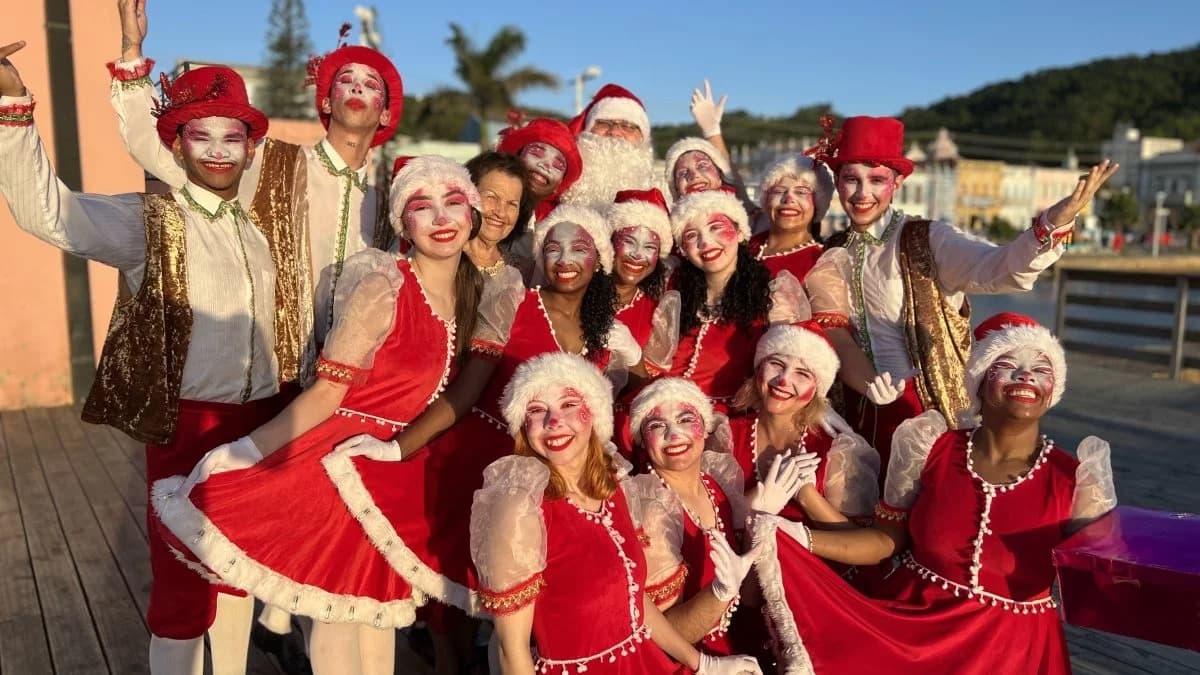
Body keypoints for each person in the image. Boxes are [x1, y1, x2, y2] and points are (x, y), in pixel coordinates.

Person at [0, 41, 292, 675]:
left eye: (231, 135)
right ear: (179, 145)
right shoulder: (149, 222)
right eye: (200, 134)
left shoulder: (254, 229)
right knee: (183, 587)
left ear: (249, 146)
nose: (217, 148)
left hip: (261, 425)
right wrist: (12, 108)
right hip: (189, 425)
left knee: (241, 570)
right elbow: (48, 215)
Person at [151, 155, 488, 675]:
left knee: (377, 619)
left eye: (453, 203)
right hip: (339, 465)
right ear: (404, 222)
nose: (441, 217)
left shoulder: (475, 295)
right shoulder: (384, 287)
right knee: (335, 623)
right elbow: (329, 393)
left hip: (393, 473)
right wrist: (244, 451)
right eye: (423, 205)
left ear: (473, 214)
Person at [751, 312, 1118, 674]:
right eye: (1007, 365)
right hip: (912, 638)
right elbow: (884, 541)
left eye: (1041, 369)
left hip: (1014, 653)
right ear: (979, 382)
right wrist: (796, 536)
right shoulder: (928, 446)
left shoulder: (1078, 478)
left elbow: (1102, 585)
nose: (1025, 376)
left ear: (1054, 388)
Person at [112, 2, 404, 381]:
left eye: (370, 84)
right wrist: (131, 51)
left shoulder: (390, 206)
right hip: (268, 377)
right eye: (346, 79)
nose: (357, 87)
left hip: (348, 383)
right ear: (327, 101)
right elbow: (165, 156)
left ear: (385, 113)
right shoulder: (269, 160)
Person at [810, 115, 1118, 464]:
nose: (863, 193)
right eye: (851, 180)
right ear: (837, 183)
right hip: (851, 412)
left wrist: (1053, 223)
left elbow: (999, 268)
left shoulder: (928, 239)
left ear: (896, 183)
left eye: (876, 180)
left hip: (926, 413)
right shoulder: (831, 248)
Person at [472, 352, 764, 674]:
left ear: (594, 415)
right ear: (523, 427)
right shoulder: (519, 509)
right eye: (537, 410)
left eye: (569, 405)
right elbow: (511, 653)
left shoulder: (616, 487)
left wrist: (705, 664)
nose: (554, 422)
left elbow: (636, 603)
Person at [624, 378, 790, 658]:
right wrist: (719, 592)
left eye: (685, 419)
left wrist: (757, 523)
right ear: (643, 441)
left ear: (705, 428)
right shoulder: (650, 508)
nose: (674, 434)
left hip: (745, 644)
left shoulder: (716, 482)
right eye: (657, 426)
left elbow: (748, 596)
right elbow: (665, 638)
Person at [725, 323, 879, 526]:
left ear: (817, 389)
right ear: (758, 367)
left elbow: (856, 542)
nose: (784, 380)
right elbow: (709, 519)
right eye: (776, 364)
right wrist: (758, 499)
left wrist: (806, 494)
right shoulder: (726, 436)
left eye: (803, 374)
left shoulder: (838, 451)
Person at [561, 84, 660, 207]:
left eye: (627, 126)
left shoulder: (664, 194)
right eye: (604, 123)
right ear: (587, 131)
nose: (614, 132)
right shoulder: (557, 184)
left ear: (643, 138)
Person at [463, 150, 535, 281]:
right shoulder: (442, 260)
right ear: (467, 195)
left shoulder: (526, 272)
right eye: (491, 197)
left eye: (512, 204)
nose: (501, 212)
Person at [495, 116, 582, 222]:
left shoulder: (558, 220)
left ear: (559, 184)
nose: (546, 165)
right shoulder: (484, 198)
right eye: (537, 153)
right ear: (517, 157)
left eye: (557, 166)